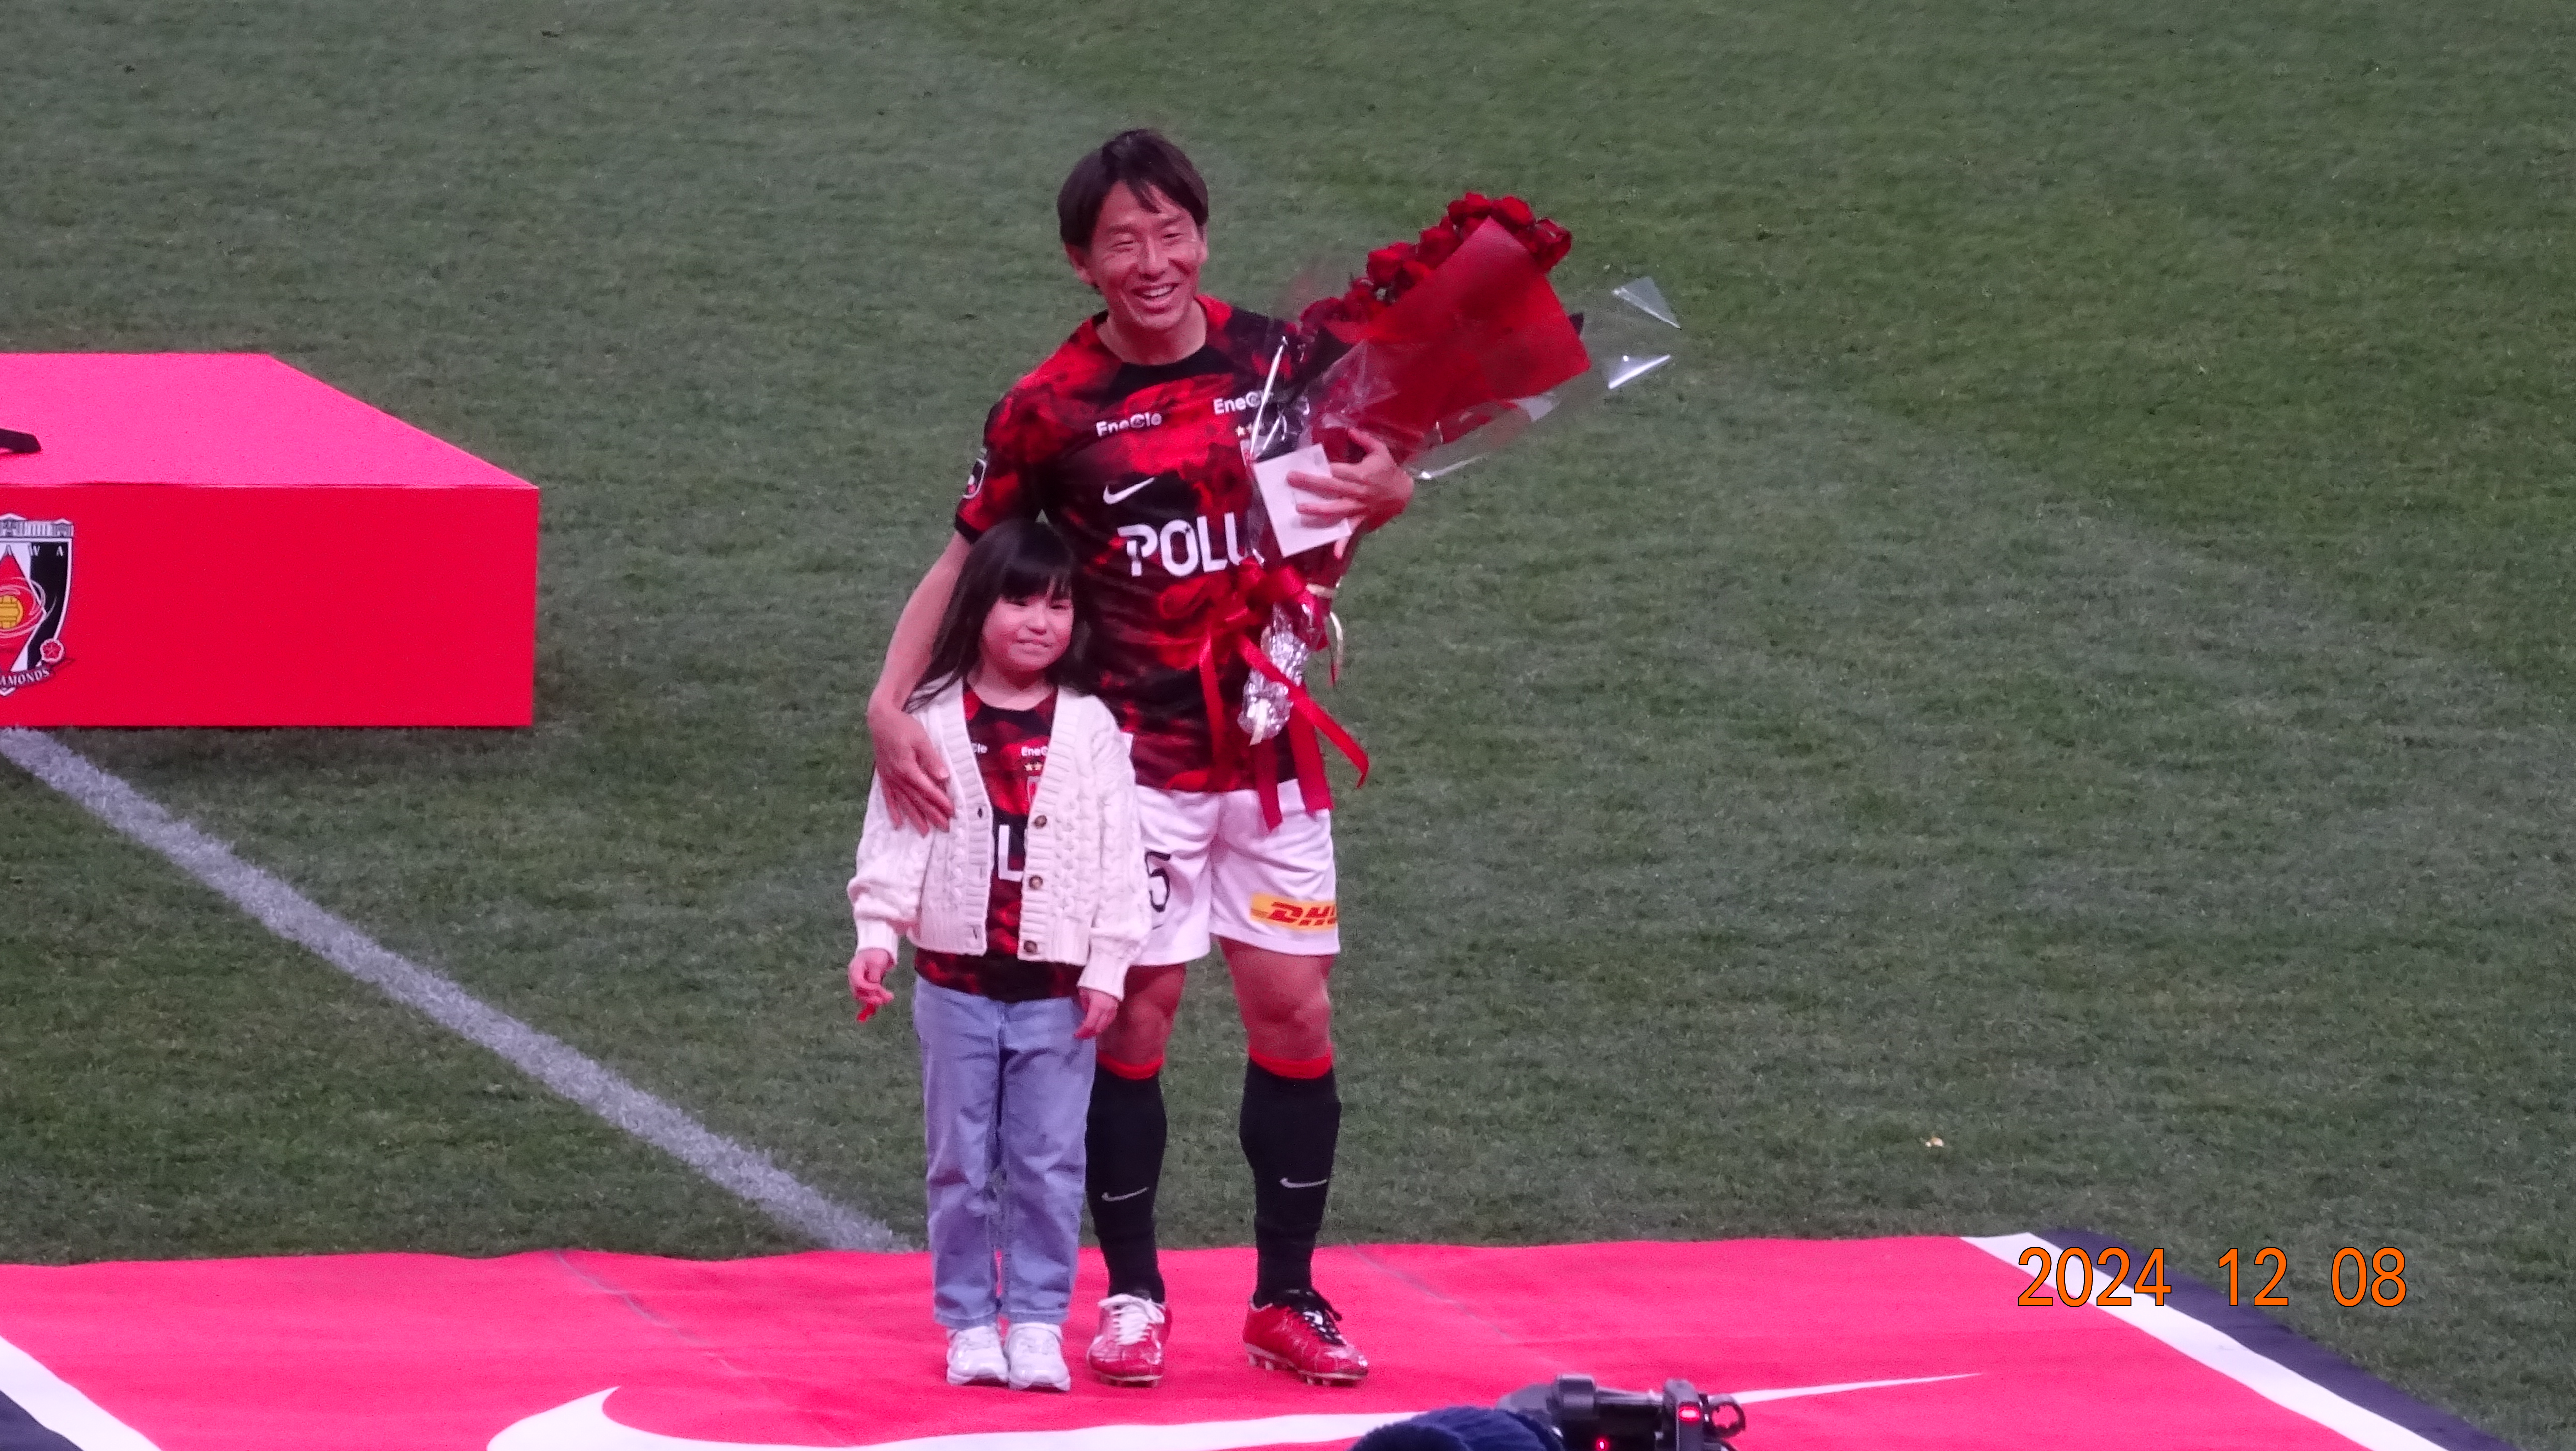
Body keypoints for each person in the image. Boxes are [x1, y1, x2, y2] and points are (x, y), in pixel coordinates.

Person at [864, 129, 1414, 1389]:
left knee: (1296, 1011)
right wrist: (888, 701)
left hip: (1271, 759)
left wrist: (1395, 490)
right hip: (1131, 773)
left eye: (1172, 232)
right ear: (1083, 261)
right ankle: (1132, 1296)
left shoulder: (1281, 361)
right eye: (1124, 241)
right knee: (1133, 1017)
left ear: (1203, 237)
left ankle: (1287, 1296)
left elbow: (1362, 483)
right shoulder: (1051, 406)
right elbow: (963, 558)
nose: (1153, 260)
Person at [847, 518, 1150, 1393]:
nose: (1039, 622)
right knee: (959, 1164)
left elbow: (1119, 859)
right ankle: (971, 1323)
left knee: (1050, 1164)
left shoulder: (1090, 727)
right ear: (978, 606)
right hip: (955, 988)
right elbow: (896, 837)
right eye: (1019, 602)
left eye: (1058, 605)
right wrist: (877, 937)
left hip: (1058, 996)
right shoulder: (929, 719)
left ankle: (1040, 1323)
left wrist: (1107, 967)